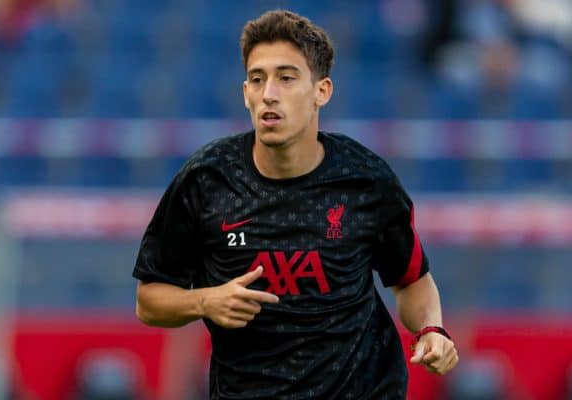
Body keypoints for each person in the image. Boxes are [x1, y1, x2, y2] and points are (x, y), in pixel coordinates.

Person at [133, 9, 458, 400]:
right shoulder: (206, 181)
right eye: (258, 79)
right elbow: (149, 300)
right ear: (246, 94)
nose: (269, 93)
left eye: (286, 78)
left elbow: (412, 282)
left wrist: (431, 330)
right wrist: (204, 300)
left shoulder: (367, 182)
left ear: (321, 91)